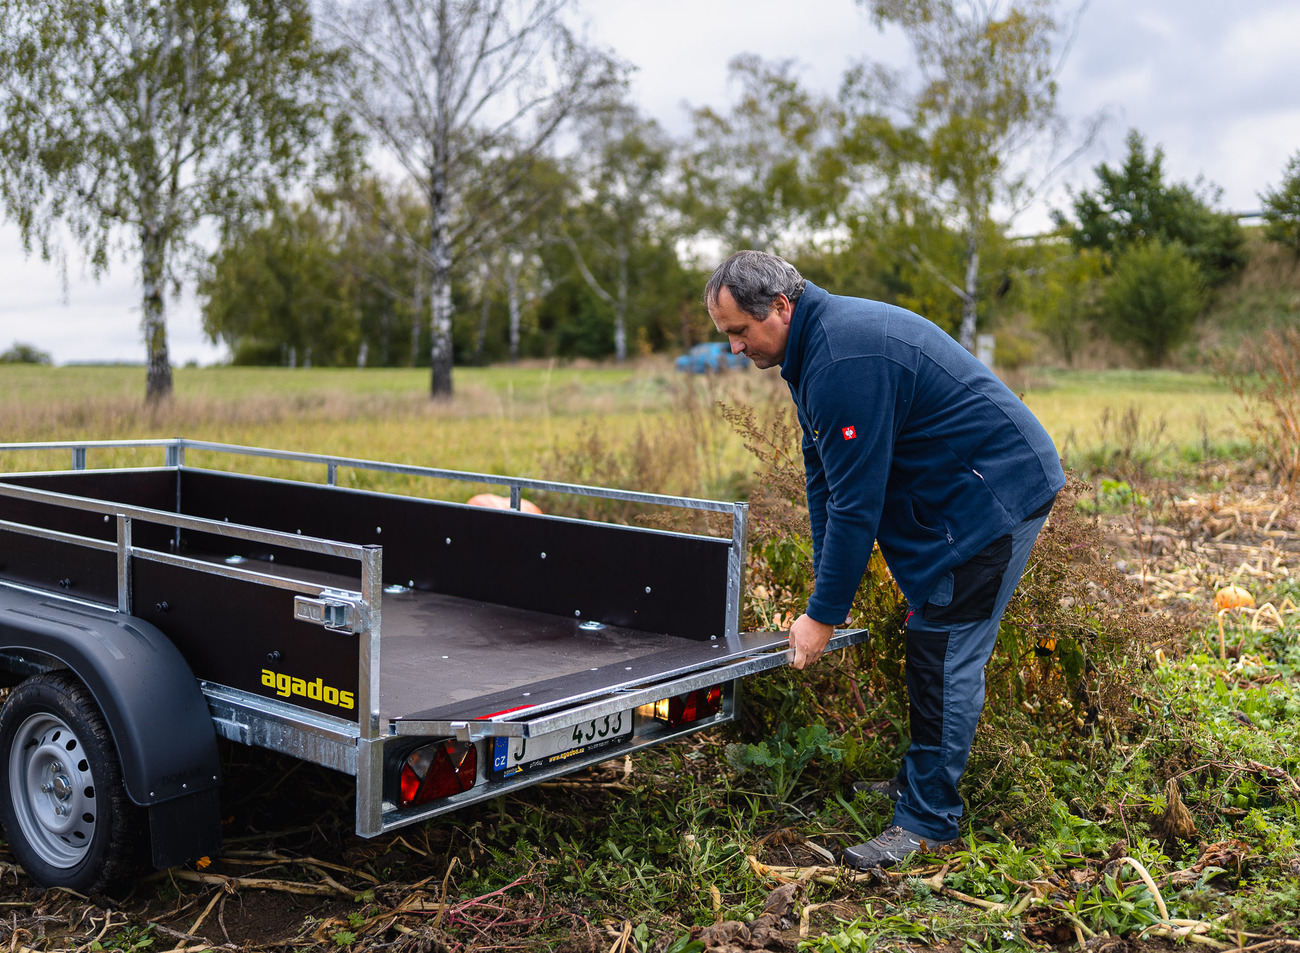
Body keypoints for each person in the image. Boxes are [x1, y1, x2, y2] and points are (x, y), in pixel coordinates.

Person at [704, 250, 1065, 869]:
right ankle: (919, 786)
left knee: (944, 649)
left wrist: (823, 617)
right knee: (932, 640)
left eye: (739, 331)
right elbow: (823, 479)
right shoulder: (814, 347)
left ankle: (928, 822)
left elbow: (856, 504)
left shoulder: (844, 358)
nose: (735, 348)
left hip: (994, 496)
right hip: (960, 494)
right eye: (727, 334)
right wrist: (826, 592)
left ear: (781, 308)